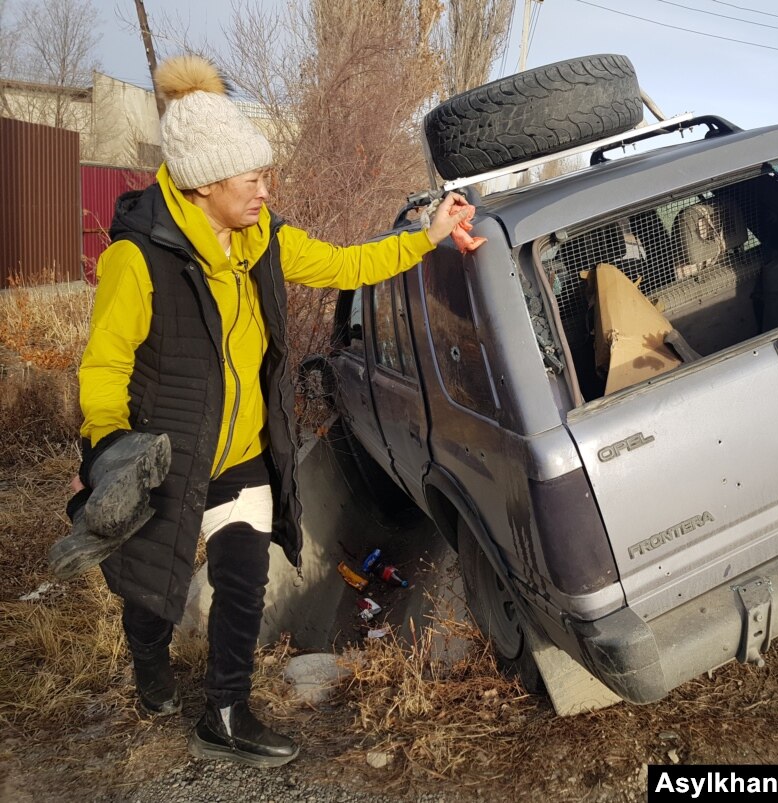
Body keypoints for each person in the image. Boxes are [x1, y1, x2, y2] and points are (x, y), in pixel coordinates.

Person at [49, 54, 469, 769]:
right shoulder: (139, 260)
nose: (265, 190)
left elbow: (343, 265)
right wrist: (106, 449)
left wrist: (424, 238)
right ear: (206, 182)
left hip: (243, 457)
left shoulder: (263, 240)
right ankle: (149, 667)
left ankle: (225, 710)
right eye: (252, 179)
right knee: (151, 594)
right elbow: (105, 364)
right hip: (163, 464)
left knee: (240, 583)